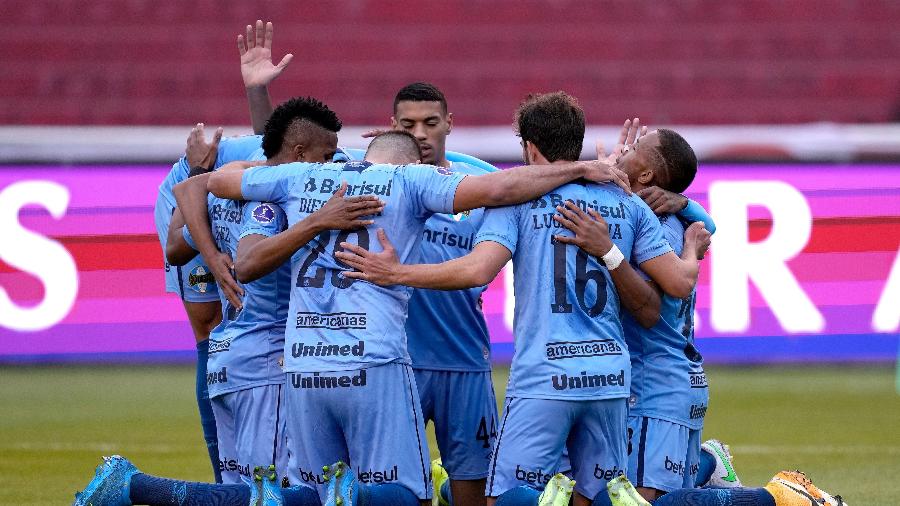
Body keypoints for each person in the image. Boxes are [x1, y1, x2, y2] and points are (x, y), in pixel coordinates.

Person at [204, 128, 631, 506]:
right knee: (406, 492)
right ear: (409, 159)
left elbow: (219, 181)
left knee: (312, 491)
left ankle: (303, 496)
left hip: (302, 367)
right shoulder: (409, 178)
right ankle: (356, 496)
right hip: (372, 361)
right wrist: (579, 169)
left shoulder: (297, 176)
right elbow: (500, 189)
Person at [334, 92, 710, 506]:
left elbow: (477, 270)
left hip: (544, 378)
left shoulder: (516, 201)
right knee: (598, 498)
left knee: (505, 497)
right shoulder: (628, 204)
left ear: (530, 148)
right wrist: (691, 230)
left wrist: (396, 273)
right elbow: (677, 283)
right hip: (610, 380)